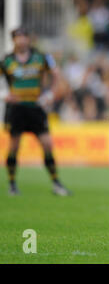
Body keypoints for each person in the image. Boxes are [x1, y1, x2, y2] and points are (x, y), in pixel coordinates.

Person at [0, 27, 71, 196]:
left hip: (35, 107)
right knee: (14, 146)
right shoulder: (7, 60)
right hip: (16, 109)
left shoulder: (41, 57)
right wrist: (3, 95)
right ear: (14, 40)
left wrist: (51, 94)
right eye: (18, 37)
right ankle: (12, 184)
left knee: (47, 144)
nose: (22, 40)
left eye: (24, 37)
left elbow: (56, 74)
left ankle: (56, 183)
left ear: (28, 39)